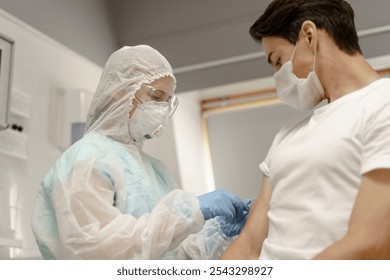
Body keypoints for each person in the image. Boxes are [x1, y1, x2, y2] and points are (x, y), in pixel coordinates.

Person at [32, 45, 249, 260]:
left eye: (167, 101)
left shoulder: (156, 171)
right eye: (156, 97)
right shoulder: (86, 160)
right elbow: (97, 251)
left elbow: (172, 253)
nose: (162, 109)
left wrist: (217, 234)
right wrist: (190, 211)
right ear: (121, 91)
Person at [221, 0, 390, 260]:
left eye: (278, 61)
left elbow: (372, 241)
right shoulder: (285, 137)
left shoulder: (382, 103)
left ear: (309, 36)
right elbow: (249, 244)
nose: (278, 77)